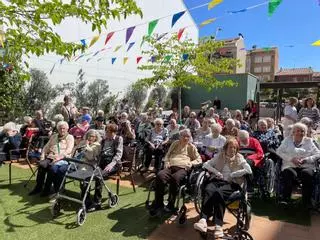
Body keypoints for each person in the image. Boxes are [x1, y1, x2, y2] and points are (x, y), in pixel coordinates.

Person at [193, 138, 252, 237]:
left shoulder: (239, 157)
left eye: (234, 148)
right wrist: (216, 172)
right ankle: (203, 220)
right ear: (225, 148)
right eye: (230, 147)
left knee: (218, 193)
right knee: (208, 189)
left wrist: (233, 174)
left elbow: (248, 170)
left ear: (237, 149)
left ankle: (218, 225)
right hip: (218, 180)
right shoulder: (220, 156)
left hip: (232, 183)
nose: (232, 150)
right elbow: (206, 165)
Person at [149, 129, 202, 216]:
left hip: (183, 168)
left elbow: (199, 159)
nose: (185, 138)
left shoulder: (191, 147)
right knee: (160, 175)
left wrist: (191, 163)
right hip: (170, 166)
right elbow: (168, 155)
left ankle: (171, 204)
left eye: (187, 136)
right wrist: (166, 162)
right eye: (183, 136)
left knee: (175, 178)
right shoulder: (175, 143)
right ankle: (159, 203)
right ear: (180, 136)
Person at [276, 123, 320, 206]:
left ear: (305, 132)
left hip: (306, 166)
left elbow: (318, 154)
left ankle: (306, 201)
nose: (300, 133)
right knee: (287, 173)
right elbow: (279, 151)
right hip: (290, 165)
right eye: (298, 131)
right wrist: (291, 159)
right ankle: (285, 198)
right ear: (293, 132)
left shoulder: (309, 141)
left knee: (307, 174)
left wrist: (306, 159)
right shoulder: (287, 140)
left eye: (302, 131)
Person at [29, 121, 74, 197]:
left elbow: (69, 150)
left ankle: (47, 189)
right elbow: (46, 147)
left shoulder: (70, 137)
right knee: (41, 165)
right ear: (57, 129)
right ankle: (38, 187)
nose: (62, 130)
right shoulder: (54, 136)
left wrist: (59, 157)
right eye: (60, 128)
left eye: (64, 128)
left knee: (52, 169)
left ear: (67, 129)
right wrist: (42, 156)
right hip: (51, 157)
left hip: (63, 159)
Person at [73, 130, 102, 210]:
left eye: (92, 136)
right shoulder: (83, 142)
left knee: (83, 179)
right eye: (89, 136)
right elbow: (76, 151)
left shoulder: (97, 145)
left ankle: (86, 200)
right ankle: (85, 197)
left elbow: (90, 157)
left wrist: (86, 146)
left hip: (90, 165)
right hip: (80, 163)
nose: (90, 138)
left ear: (96, 137)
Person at [237, 130, 264, 194]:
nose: (243, 141)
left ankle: (250, 184)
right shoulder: (237, 142)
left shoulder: (254, 141)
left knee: (247, 164)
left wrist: (249, 157)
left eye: (245, 139)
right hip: (240, 159)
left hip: (253, 159)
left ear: (248, 137)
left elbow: (260, 153)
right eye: (242, 139)